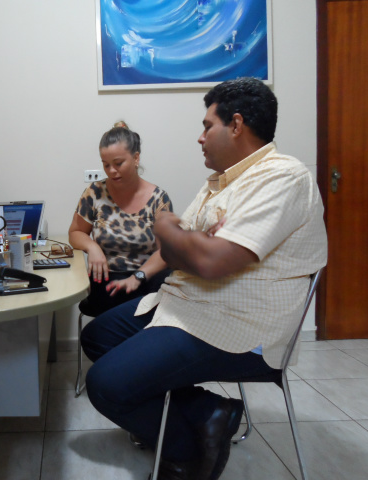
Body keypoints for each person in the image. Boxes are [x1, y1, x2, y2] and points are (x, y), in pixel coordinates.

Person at [81, 78, 327, 480]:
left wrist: (168, 228)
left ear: (236, 124)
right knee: (97, 336)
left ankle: (185, 450)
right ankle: (209, 411)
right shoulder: (220, 182)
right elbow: (184, 250)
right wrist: (186, 241)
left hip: (241, 325)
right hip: (192, 301)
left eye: (207, 125)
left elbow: (208, 260)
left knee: (105, 385)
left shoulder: (283, 178)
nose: (200, 137)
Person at [68, 121, 173, 316]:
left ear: (136, 158)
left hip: (145, 280)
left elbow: (164, 252)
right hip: (107, 281)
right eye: (106, 165)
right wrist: (92, 247)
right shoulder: (94, 193)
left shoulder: (158, 198)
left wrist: (138, 276)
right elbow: (75, 232)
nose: (111, 171)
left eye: (118, 163)